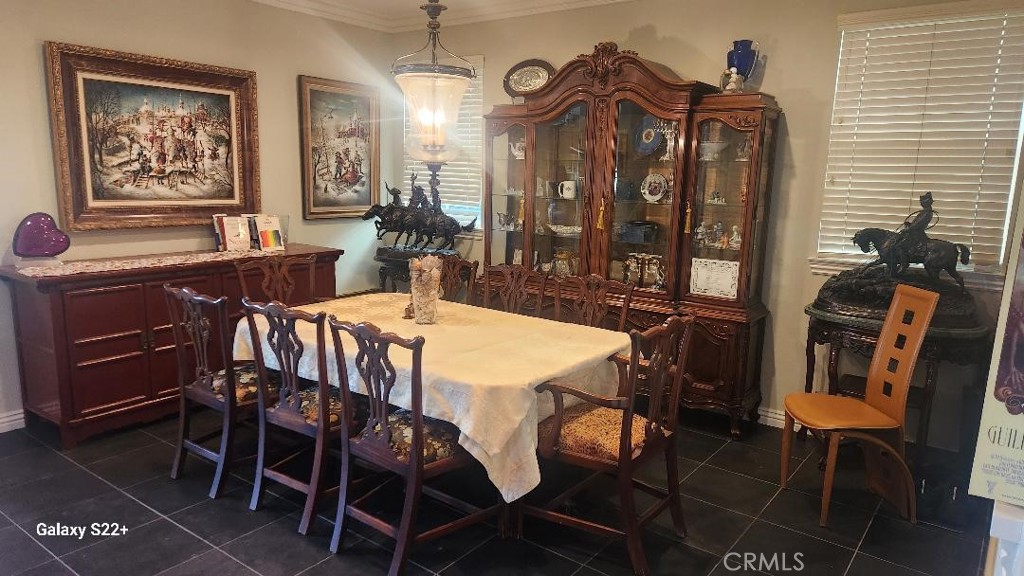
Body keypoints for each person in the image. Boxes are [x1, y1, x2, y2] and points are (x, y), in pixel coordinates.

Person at [884, 192, 935, 272]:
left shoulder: (927, 213)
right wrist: (909, 224)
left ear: (927, 202)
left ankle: (904, 264)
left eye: (923, 202)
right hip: (913, 231)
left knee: (899, 246)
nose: (921, 203)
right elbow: (916, 223)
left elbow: (918, 225)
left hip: (916, 233)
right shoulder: (924, 212)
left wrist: (908, 229)